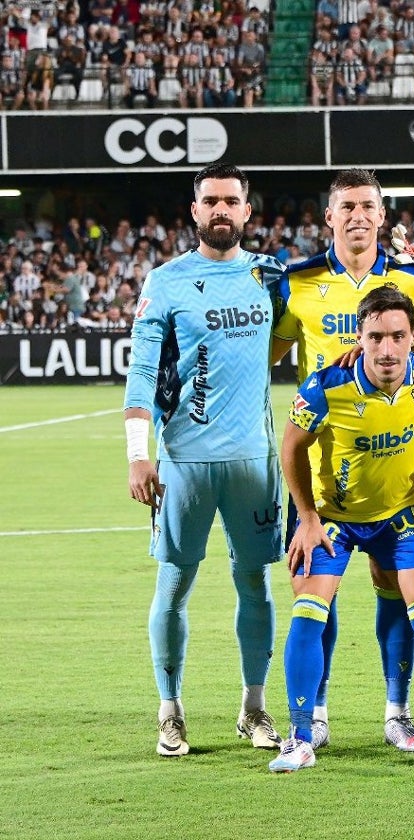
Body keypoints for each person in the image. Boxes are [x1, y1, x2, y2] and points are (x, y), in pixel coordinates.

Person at [271, 286, 414, 772]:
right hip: (333, 517)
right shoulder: (326, 385)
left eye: (397, 336)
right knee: (308, 611)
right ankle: (300, 736)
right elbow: (291, 446)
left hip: (399, 513)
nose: (386, 349)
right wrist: (306, 518)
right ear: (359, 337)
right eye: (375, 337)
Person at [272, 169, 414, 755]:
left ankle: (398, 711)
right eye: (348, 207)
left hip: (389, 467)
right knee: (317, 591)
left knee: (393, 585)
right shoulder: (298, 282)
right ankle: (313, 714)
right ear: (330, 217)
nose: (359, 215)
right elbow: (268, 349)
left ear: (383, 215)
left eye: (369, 205)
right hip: (321, 474)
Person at [124, 163, 285, 758]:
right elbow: (141, 372)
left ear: (247, 210)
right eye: (210, 201)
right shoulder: (165, 281)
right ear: (194, 211)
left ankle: (254, 707)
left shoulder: (269, 276)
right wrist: (139, 456)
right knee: (174, 584)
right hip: (185, 463)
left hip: (255, 464)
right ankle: (170, 711)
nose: (221, 210)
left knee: (255, 584)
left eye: (231, 201)